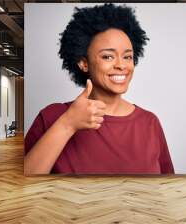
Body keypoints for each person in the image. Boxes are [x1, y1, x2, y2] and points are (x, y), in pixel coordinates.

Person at [24, 3, 174, 175]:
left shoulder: (149, 123)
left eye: (127, 57)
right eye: (108, 56)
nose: (121, 65)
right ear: (84, 63)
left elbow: (166, 187)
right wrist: (67, 124)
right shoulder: (52, 117)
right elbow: (21, 186)